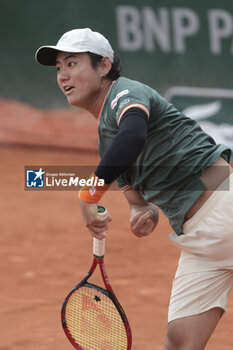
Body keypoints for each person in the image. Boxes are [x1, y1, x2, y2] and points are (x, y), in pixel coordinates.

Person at [36, 28, 233, 350]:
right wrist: (143, 211)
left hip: (226, 207)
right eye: (59, 68)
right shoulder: (106, 141)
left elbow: (133, 136)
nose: (62, 75)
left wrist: (88, 195)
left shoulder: (125, 93)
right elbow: (136, 198)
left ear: (104, 65)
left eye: (72, 64)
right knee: (180, 344)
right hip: (199, 242)